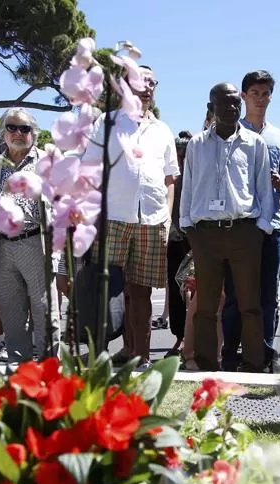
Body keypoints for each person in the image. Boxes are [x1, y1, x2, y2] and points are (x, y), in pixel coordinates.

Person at [83, 65, 178, 370]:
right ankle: (98, 355)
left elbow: (169, 178)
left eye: (152, 82)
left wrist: (166, 217)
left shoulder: (163, 130)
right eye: (141, 81)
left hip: (151, 220)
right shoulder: (105, 123)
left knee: (141, 292)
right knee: (105, 291)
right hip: (112, 218)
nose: (147, 87)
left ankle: (141, 358)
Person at [179, 82, 274, 373]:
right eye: (225, 103)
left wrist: (261, 228)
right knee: (206, 306)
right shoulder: (196, 144)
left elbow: (263, 189)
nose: (232, 108)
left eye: (236, 103)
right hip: (205, 234)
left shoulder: (255, 143)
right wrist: (188, 226)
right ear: (212, 107)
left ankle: (254, 365)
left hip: (244, 231)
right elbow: (189, 186)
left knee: (250, 305)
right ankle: (208, 366)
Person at [220, 70, 280, 372]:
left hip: (273, 226)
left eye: (265, 93)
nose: (261, 99)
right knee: (236, 296)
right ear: (244, 97)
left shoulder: (279, 136)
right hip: (241, 227)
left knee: (268, 297)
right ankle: (231, 355)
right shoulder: (231, 132)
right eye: (255, 93)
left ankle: (263, 355)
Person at [0, 108, 59, 362]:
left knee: (45, 312)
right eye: (12, 127)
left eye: (24, 129)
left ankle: (49, 368)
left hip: (36, 242)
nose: (18, 133)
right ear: (2, 133)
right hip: (2, 247)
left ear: (33, 134)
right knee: (11, 314)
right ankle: (18, 371)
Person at [165, 131, 193, 358]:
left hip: (194, 239)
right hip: (173, 239)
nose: (182, 160)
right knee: (175, 292)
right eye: (178, 155)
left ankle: (193, 340)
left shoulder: (196, 174)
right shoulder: (169, 177)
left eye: (185, 155)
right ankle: (180, 338)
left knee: (194, 292)